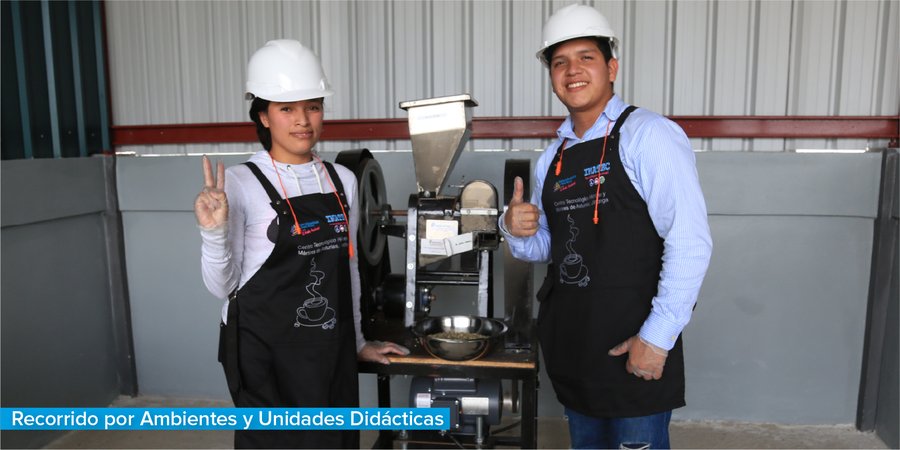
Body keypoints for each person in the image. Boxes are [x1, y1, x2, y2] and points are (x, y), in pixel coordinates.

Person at [499, 5, 713, 449]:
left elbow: (690, 242)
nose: (572, 71)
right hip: (574, 347)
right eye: (560, 62)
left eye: (586, 58)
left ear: (611, 67)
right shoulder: (552, 158)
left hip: (633, 343)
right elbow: (547, 248)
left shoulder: (648, 135)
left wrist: (656, 339)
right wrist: (515, 230)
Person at [195, 39, 408, 449]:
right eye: (287, 108)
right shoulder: (239, 183)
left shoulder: (341, 180)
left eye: (313, 106)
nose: (303, 120)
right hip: (264, 354)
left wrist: (359, 341)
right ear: (263, 115)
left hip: (328, 347)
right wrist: (213, 232)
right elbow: (222, 288)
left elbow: (348, 270)